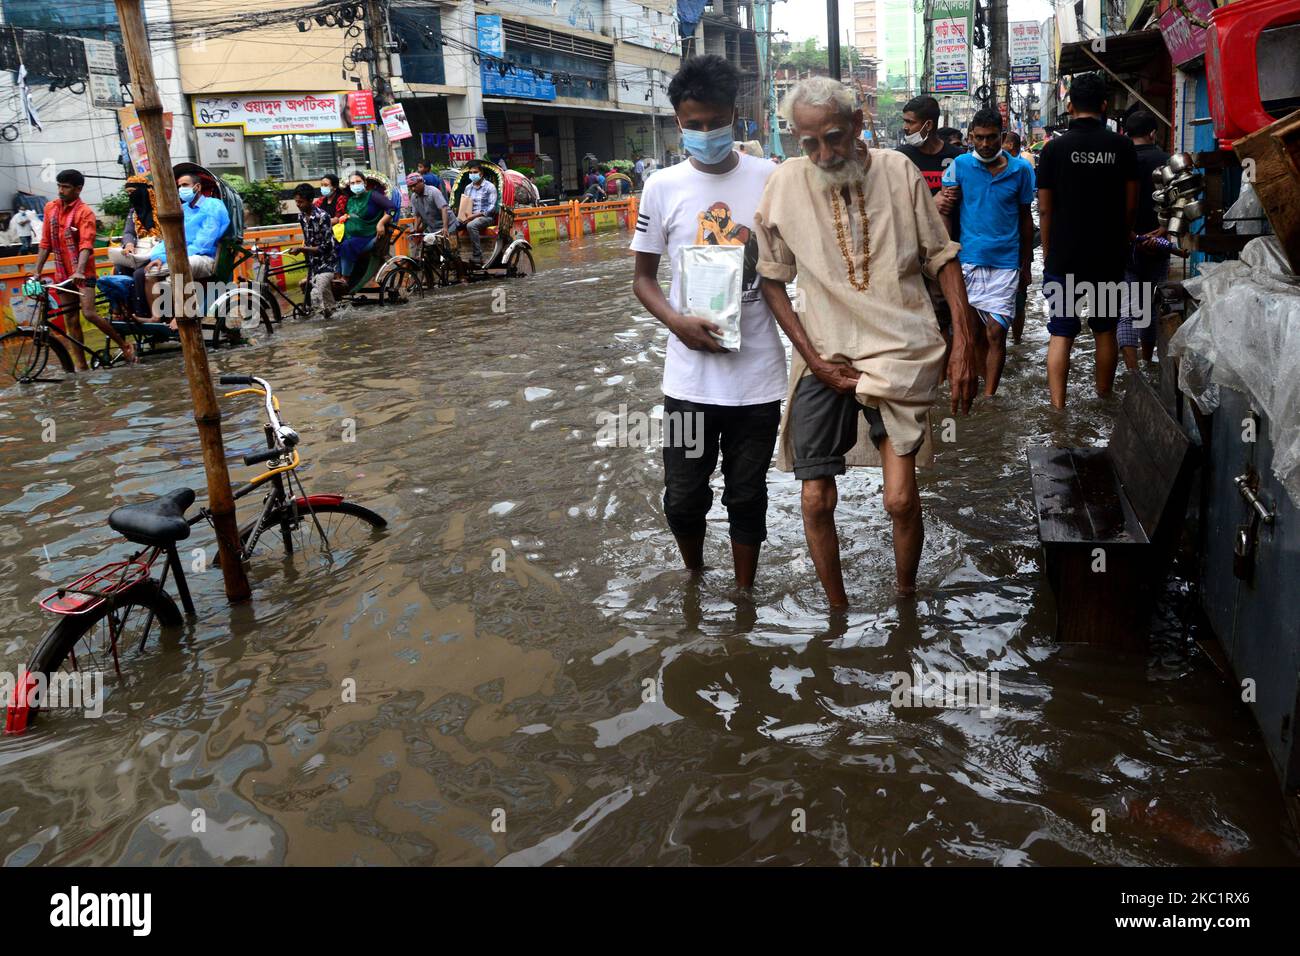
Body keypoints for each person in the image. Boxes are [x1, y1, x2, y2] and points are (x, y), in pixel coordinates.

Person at [754, 77, 978, 604]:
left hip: (901, 349)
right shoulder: (785, 184)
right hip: (824, 352)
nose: (824, 154)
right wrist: (813, 359)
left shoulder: (899, 172)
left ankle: (905, 600)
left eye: (834, 137)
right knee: (813, 500)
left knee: (899, 500)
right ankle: (837, 611)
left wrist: (964, 341)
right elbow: (771, 278)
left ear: (858, 125)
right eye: (809, 143)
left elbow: (941, 256)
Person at [630, 54, 787, 591]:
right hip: (687, 382)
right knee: (682, 494)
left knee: (747, 494)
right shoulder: (661, 187)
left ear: (734, 115)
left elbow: (790, 266)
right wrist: (676, 322)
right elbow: (643, 279)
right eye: (692, 125)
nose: (704, 133)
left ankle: (744, 593)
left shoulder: (770, 179)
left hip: (758, 378)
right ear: (678, 123)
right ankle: (694, 575)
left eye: (714, 122)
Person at [1036, 72, 1138, 409]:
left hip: (1065, 256)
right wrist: (1120, 244)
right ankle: (1104, 400)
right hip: (1106, 256)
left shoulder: (1054, 150)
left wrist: (1049, 253)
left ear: (1069, 106)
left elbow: (1046, 211)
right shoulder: (1122, 146)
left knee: (1061, 332)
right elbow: (1130, 206)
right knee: (1105, 330)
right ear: (1105, 106)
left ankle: (1057, 409)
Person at [940, 108, 1034, 396]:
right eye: (978, 138)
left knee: (996, 332)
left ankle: (991, 396)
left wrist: (1027, 264)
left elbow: (1025, 218)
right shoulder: (958, 166)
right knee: (973, 334)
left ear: (1002, 137)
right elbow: (943, 209)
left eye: (991, 137)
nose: (984, 144)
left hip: (1006, 264)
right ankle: (975, 386)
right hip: (968, 262)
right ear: (970, 137)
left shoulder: (1021, 170)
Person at [28, 169, 137, 367]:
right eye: (59, 186)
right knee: (70, 319)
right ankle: (81, 366)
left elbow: (86, 244)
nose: (61, 191)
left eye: (66, 187)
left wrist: (79, 270)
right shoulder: (50, 208)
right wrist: (36, 272)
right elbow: (45, 243)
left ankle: (124, 345)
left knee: (88, 313)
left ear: (78, 189)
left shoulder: (85, 212)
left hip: (83, 272)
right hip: (62, 272)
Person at [1119, 109, 1186, 370]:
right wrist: (1162, 231)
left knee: (1127, 308)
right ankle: (1147, 362)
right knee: (1148, 306)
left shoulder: (1119, 161)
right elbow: (1180, 205)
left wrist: (1132, 236)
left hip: (1125, 245)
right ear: (1153, 133)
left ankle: (1133, 372)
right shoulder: (1168, 162)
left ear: (1125, 133)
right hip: (1159, 244)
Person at [896, 95, 964, 345]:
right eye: (905, 121)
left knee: (949, 321)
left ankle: (949, 379)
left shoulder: (958, 158)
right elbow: (890, 205)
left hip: (951, 252)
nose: (906, 128)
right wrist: (929, 203)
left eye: (910, 122)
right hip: (912, 254)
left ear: (929, 125)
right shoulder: (900, 159)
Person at [143, 171, 231, 330]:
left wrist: (173, 258)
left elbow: (203, 243)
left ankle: (181, 315)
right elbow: (167, 238)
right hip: (178, 257)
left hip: (204, 257)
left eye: (184, 185)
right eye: (179, 186)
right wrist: (159, 257)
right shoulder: (180, 210)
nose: (181, 189)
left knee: (181, 266)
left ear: (197, 187)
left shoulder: (213, 205)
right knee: (149, 272)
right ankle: (156, 316)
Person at [335, 170, 399, 281]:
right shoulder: (350, 200)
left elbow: (392, 209)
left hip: (368, 237)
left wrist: (381, 223)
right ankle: (336, 276)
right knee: (331, 245)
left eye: (358, 182)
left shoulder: (373, 196)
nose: (355, 185)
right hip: (348, 235)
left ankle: (345, 279)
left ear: (364, 183)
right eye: (352, 183)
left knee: (347, 245)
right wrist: (344, 218)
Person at [289, 182, 339, 319]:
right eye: (296, 202)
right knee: (321, 297)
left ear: (310, 201)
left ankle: (321, 324)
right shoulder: (301, 217)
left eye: (301, 202)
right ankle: (335, 318)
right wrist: (304, 250)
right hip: (314, 264)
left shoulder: (323, 217)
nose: (298, 205)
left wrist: (301, 249)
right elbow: (307, 239)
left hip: (328, 263)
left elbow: (326, 246)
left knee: (315, 294)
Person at [405, 170, 455, 263]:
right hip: (433, 226)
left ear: (421, 182)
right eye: (410, 187)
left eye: (414, 185)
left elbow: (443, 209)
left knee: (452, 252)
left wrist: (445, 227)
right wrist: (416, 229)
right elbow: (417, 215)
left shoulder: (433, 192)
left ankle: (461, 275)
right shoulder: (414, 197)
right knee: (431, 249)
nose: (413, 189)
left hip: (449, 224)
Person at [459, 160, 498, 264]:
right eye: (470, 173)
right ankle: (455, 255)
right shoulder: (468, 188)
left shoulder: (490, 187)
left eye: (475, 172)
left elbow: (492, 208)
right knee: (453, 224)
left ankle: (478, 256)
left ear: (481, 173)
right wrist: (463, 216)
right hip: (469, 216)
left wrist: (474, 216)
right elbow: (465, 203)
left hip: (486, 217)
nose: (472, 175)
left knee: (471, 225)